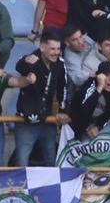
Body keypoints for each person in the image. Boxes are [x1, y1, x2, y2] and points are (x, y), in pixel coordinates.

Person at [14, 32, 71, 166]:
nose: (56, 52)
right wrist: (25, 61)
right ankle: (20, 187)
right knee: (21, 161)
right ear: (42, 47)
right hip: (26, 121)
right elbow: (19, 65)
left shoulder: (60, 64)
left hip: (47, 119)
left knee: (51, 160)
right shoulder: (32, 58)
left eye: (58, 49)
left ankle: (51, 187)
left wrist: (63, 110)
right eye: (52, 49)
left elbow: (63, 88)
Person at [70, 61, 110, 138]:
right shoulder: (89, 87)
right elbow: (83, 110)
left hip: (94, 129)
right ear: (98, 76)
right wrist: (100, 88)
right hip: (75, 127)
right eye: (106, 75)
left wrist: (98, 126)